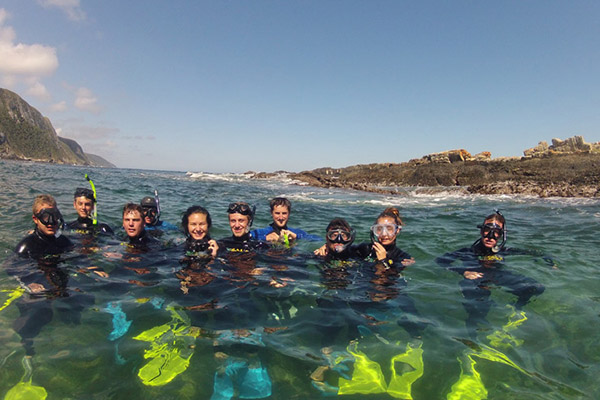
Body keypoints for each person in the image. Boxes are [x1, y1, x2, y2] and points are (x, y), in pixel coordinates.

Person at [435, 211, 546, 336]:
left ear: (501, 235)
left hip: (497, 277)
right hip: (476, 279)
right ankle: (471, 339)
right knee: (479, 308)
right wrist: (464, 271)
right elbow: (440, 261)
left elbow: (535, 253)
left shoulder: (503, 251)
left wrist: (549, 261)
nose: (490, 236)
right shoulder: (468, 251)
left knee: (536, 287)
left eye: (496, 232)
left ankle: (516, 308)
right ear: (481, 231)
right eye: (487, 230)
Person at [15, 194, 72, 260]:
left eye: (54, 216)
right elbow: (12, 267)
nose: (51, 222)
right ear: (35, 219)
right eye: (45, 217)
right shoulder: (27, 246)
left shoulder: (64, 242)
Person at [250, 197, 321, 243]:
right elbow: (245, 236)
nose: (281, 217)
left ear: (289, 213)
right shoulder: (262, 232)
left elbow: (318, 239)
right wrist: (265, 238)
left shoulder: (296, 232)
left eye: (284, 213)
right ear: (271, 213)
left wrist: (296, 236)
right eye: (277, 213)